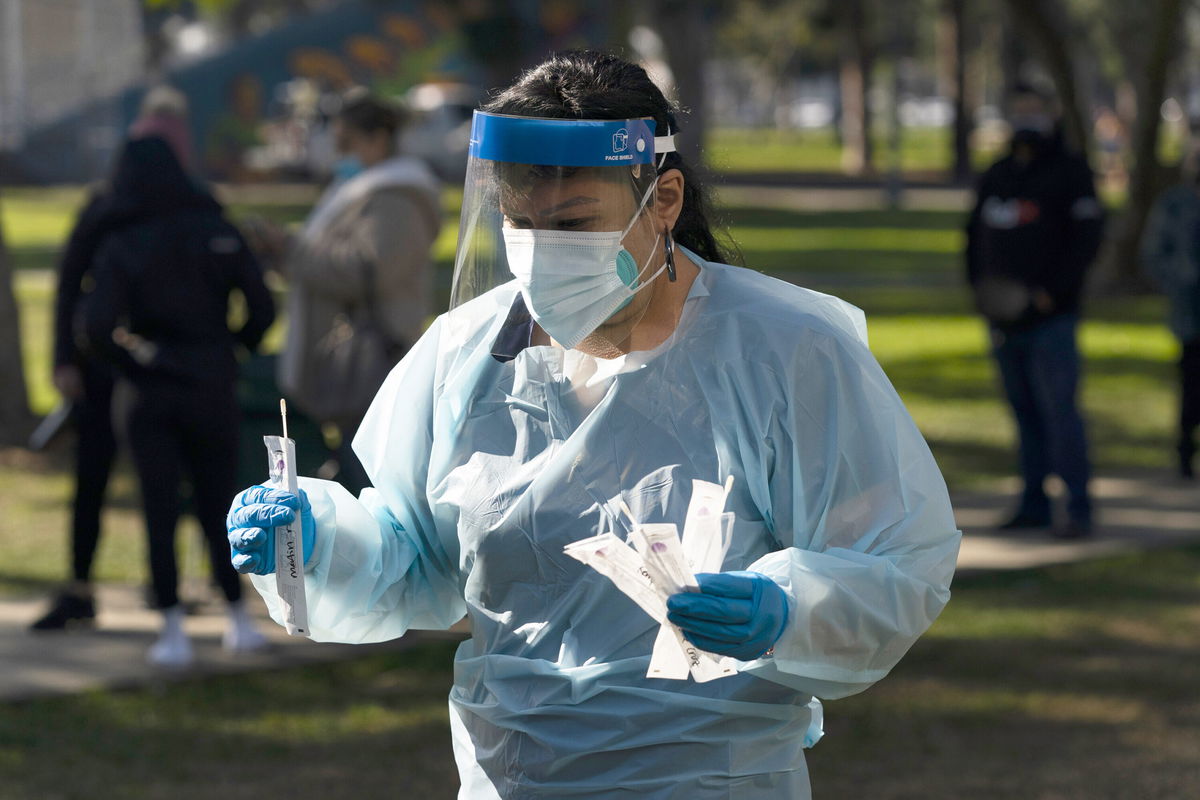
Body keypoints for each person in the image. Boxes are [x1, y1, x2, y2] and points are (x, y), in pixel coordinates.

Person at [227, 51, 959, 797]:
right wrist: (314, 544)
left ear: (663, 200)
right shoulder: (470, 353)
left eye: (575, 223)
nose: (545, 254)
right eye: (521, 224)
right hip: (508, 775)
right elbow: (419, 560)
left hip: (708, 779)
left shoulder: (784, 352)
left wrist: (790, 609)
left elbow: (899, 562)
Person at [84, 136, 276, 667]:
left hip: (149, 390)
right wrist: (232, 350)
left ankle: (170, 623)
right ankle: (236, 613)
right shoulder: (217, 229)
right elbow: (261, 307)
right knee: (220, 500)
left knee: (158, 506)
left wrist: (134, 363)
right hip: (210, 382)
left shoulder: (123, 240)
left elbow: (97, 325)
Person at [30, 86, 193, 631]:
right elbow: (69, 283)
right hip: (107, 362)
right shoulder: (107, 209)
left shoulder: (183, 209)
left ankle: (162, 583)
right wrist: (64, 358)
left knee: (161, 480)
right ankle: (81, 584)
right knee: (95, 476)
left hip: (150, 366)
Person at [250, 88, 441, 494]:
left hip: (370, 359)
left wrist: (291, 248)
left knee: (367, 479)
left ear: (378, 139)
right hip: (351, 358)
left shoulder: (397, 197)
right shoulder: (367, 188)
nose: (340, 154)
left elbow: (367, 271)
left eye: (347, 143)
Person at [966, 81, 1104, 539]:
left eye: (1035, 110)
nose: (1027, 119)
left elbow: (1086, 241)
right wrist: (979, 291)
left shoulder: (1070, 172)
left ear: (1053, 115)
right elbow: (972, 236)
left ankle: (1078, 508)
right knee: (1023, 414)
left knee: (1060, 413)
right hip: (1003, 319)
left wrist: (1051, 293)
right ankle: (1033, 503)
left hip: (1051, 319)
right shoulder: (999, 173)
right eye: (1019, 109)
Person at [1140, 148, 1200, 477]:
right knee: (1191, 386)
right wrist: (1178, 280)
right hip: (1191, 311)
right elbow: (1153, 253)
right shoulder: (1175, 204)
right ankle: (1185, 453)